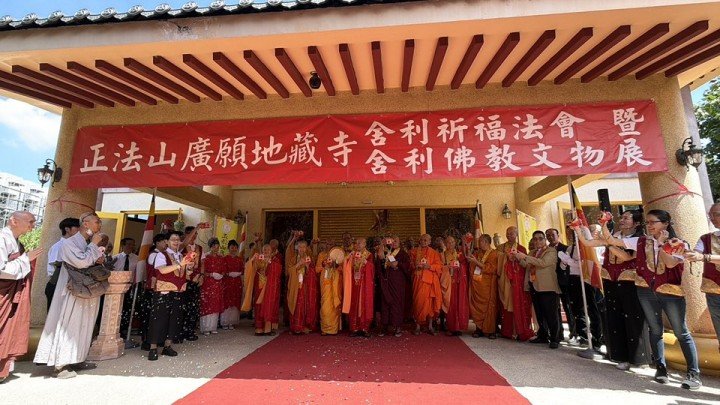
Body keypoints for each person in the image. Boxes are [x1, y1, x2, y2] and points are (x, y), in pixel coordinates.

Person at [603, 209, 701, 390]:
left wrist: (661, 244)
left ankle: (693, 373)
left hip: (670, 292)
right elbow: (611, 240)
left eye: (653, 222)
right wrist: (603, 224)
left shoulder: (678, 243)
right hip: (645, 290)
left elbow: (671, 263)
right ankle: (661, 368)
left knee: (681, 332)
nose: (649, 225)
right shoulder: (641, 241)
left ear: (665, 224)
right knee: (655, 330)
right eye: (647, 222)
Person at [575, 210, 651, 370]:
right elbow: (588, 243)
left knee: (633, 319)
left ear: (637, 223)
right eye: (621, 217)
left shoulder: (640, 239)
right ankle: (620, 356)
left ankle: (638, 358)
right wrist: (577, 229)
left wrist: (607, 240)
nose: (622, 220)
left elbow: (626, 257)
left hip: (629, 281)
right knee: (615, 318)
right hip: (610, 280)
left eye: (626, 218)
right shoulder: (615, 236)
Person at [34, 212, 105, 379]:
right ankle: (61, 365)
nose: (99, 225)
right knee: (69, 324)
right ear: (85, 223)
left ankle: (77, 358)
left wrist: (98, 257)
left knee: (84, 324)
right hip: (72, 291)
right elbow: (81, 262)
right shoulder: (69, 243)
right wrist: (94, 245)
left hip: (87, 291)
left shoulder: (87, 242)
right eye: (97, 221)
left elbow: (90, 260)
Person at [0, 211, 41, 383]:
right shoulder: (2, 239)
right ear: (14, 221)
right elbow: (1, 269)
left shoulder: (17, 242)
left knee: (8, 330)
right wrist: (26, 259)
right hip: (3, 292)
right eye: (30, 222)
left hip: (11, 294)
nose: (33, 226)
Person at [146, 231, 193, 361]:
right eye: (173, 239)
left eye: (178, 239)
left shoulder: (181, 256)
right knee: (159, 318)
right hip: (164, 291)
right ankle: (153, 348)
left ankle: (168, 345)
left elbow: (185, 274)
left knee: (174, 318)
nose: (176, 242)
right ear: (167, 242)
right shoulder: (161, 255)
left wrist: (189, 267)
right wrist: (180, 264)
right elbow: (162, 270)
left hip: (178, 290)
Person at [515, 231, 561, 349]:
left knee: (551, 314)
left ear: (545, 240)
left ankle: (555, 338)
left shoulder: (551, 251)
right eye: (535, 239)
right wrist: (517, 257)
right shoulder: (532, 252)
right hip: (534, 285)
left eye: (540, 238)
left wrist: (525, 257)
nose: (537, 241)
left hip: (547, 287)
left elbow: (543, 263)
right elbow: (527, 265)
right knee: (539, 313)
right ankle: (543, 335)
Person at [685, 202, 720, 355]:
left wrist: (704, 257)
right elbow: (696, 254)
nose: (712, 218)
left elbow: (702, 256)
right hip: (713, 291)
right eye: (710, 215)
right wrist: (682, 250)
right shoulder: (706, 238)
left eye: (716, 214)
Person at [497, 226, 533, 341]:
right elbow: (497, 263)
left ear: (516, 235)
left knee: (517, 303)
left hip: (517, 281)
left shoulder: (521, 248)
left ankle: (518, 330)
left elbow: (525, 265)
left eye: (511, 233)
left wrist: (517, 257)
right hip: (505, 281)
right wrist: (505, 256)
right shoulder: (500, 248)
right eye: (507, 233)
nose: (509, 235)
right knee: (505, 304)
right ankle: (507, 331)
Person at [375, 235, 411, 337]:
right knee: (385, 303)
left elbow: (408, 266)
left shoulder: (403, 253)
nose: (393, 243)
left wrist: (398, 264)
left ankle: (397, 326)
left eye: (396, 241)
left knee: (397, 303)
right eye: (392, 241)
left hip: (397, 283)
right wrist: (381, 250)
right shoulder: (386, 252)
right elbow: (380, 265)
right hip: (386, 282)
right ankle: (384, 326)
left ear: (399, 243)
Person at [242, 244, 282, 335]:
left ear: (271, 251)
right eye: (264, 249)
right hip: (259, 287)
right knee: (259, 306)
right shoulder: (258, 258)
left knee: (269, 306)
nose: (266, 251)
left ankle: (267, 329)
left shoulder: (274, 260)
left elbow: (278, 271)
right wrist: (253, 260)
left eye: (268, 249)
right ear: (262, 251)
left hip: (270, 287)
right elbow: (249, 267)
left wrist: (270, 263)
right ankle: (259, 329)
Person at [286, 232, 318, 334]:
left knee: (306, 305)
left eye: (304, 247)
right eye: (300, 247)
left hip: (306, 285)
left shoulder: (309, 258)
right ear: (296, 248)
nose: (302, 249)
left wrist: (308, 267)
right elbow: (289, 270)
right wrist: (298, 264)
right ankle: (296, 327)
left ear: (306, 248)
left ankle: (305, 326)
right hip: (296, 285)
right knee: (297, 304)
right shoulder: (293, 258)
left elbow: (314, 272)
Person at [410, 234, 443, 335]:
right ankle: (418, 326)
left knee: (430, 304)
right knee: (418, 302)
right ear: (419, 241)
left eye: (426, 240)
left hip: (430, 281)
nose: (424, 241)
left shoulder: (434, 253)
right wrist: (415, 265)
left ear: (429, 242)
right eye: (422, 240)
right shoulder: (414, 251)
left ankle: (430, 326)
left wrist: (430, 266)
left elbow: (439, 266)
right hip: (418, 280)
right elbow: (410, 264)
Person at [468, 234, 499, 338]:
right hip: (477, 284)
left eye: (480, 241)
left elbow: (491, 269)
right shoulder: (478, 253)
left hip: (488, 285)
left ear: (486, 242)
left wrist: (476, 262)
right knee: (477, 306)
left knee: (489, 306)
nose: (479, 243)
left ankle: (491, 330)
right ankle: (479, 329)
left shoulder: (494, 254)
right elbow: (472, 265)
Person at [45, 218, 79, 313]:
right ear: (67, 229)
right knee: (55, 315)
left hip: (67, 286)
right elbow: (56, 267)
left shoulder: (73, 246)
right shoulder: (59, 246)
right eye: (77, 227)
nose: (79, 230)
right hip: (57, 285)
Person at [546, 228, 575, 340]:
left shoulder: (566, 248)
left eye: (552, 235)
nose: (550, 237)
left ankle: (574, 332)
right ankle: (559, 333)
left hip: (564, 282)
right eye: (548, 235)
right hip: (551, 282)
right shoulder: (546, 250)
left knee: (568, 307)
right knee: (554, 308)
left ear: (558, 235)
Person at [342, 237, 375, 337]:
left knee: (365, 304)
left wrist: (365, 262)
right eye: (357, 243)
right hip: (354, 284)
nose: (358, 245)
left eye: (360, 243)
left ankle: (364, 328)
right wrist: (348, 258)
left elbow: (372, 268)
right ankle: (354, 328)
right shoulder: (352, 254)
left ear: (365, 244)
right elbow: (346, 265)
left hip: (364, 284)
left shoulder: (369, 255)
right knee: (354, 304)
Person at [140, 233, 167, 350]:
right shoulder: (154, 255)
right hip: (152, 288)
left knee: (158, 315)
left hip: (160, 288)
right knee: (150, 315)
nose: (166, 244)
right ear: (157, 243)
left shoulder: (163, 254)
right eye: (164, 241)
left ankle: (157, 338)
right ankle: (147, 340)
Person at [440, 236, 469, 336]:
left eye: (452, 242)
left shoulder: (459, 254)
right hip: (448, 282)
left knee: (459, 303)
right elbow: (440, 267)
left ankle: (458, 327)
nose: (451, 244)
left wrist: (460, 267)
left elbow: (465, 264)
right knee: (450, 304)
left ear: (455, 243)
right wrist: (447, 267)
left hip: (458, 282)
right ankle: (450, 327)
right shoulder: (442, 255)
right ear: (445, 244)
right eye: (448, 242)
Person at [179, 225, 203, 342]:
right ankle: (180, 331)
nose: (193, 236)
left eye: (195, 234)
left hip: (196, 279)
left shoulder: (199, 248)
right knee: (182, 305)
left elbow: (202, 263)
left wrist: (201, 275)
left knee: (193, 306)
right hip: (184, 280)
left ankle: (190, 331)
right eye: (191, 234)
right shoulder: (182, 247)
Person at [316, 242, 344, 335]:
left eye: (331, 244)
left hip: (335, 280)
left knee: (335, 304)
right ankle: (325, 329)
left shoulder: (338, 254)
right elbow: (317, 269)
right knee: (325, 305)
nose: (329, 246)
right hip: (325, 281)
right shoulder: (322, 255)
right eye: (328, 244)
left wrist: (335, 265)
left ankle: (333, 329)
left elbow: (342, 268)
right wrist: (326, 266)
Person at [200, 238, 226, 336]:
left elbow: (223, 270)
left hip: (217, 284)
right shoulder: (206, 257)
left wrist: (221, 275)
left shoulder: (220, 258)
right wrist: (211, 274)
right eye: (214, 247)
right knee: (207, 304)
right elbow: (202, 271)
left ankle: (213, 327)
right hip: (207, 283)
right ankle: (205, 327)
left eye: (217, 247)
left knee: (215, 304)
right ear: (210, 247)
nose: (216, 249)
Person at [114, 237, 139, 339]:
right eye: (128, 244)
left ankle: (124, 329)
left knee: (127, 308)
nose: (131, 246)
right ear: (123, 245)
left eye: (132, 244)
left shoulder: (137, 259)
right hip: (116, 287)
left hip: (130, 287)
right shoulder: (116, 258)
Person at [222, 240, 244, 330]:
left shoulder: (239, 259)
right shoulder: (225, 258)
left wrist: (239, 273)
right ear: (228, 248)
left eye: (235, 248)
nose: (234, 249)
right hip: (227, 282)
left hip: (237, 283)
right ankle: (225, 322)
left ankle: (232, 322)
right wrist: (228, 273)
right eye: (232, 247)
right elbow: (222, 270)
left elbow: (243, 270)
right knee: (227, 300)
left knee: (235, 300)